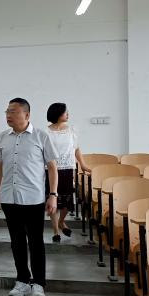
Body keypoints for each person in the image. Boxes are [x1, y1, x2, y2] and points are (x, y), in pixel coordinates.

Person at [0, 97, 58, 296]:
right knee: (17, 241)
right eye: (7, 112)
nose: (8, 115)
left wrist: (53, 195)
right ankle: (22, 280)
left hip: (33, 198)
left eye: (13, 111)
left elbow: (52, 167)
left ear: (26, 115)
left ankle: (39, 284)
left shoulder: (41, 136)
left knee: (36, 242)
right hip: (9, 197)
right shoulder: (2, 137)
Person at [46, 103, 90, 243]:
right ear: (58, 114)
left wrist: (82, 164)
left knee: (66, 203)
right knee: (53, 200)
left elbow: (76, 149)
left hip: (67, 169)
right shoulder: (45, 132)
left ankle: (61, 221)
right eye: (66, 112)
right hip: (50, 169)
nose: (68, 114)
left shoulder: (71, 130)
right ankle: (55, 231)